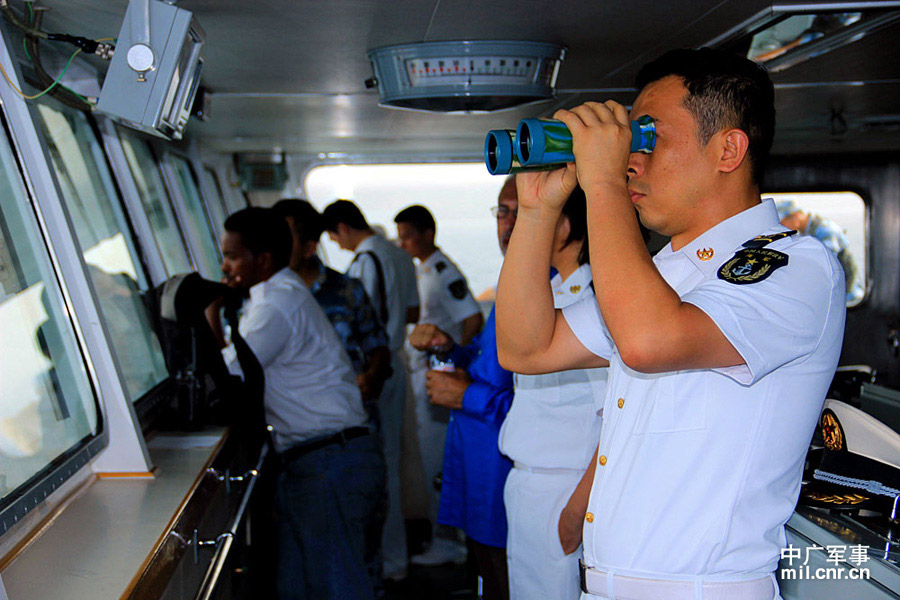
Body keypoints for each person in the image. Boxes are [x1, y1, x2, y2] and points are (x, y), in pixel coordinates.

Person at [495, 48, 845, 600]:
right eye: (630, 141)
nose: (632, 159)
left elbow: (648, 341)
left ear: (728, 149)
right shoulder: (664, 276)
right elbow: (526, 349)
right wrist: (537, 212)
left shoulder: (796, 267)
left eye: (649, 137)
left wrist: (603, 183)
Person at [207, 207, 385, 600]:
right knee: (299, 588)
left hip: (327, 462)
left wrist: (210, 320)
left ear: (263, 260)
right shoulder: (275, 296)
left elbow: (227, 381)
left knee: (337, 588)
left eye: (232, 256)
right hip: (315, 460)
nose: (224, 266)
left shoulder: (276, 306)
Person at [408, 175, 518, 600]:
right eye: (501, 212)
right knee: (487, 571)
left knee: (509, 577)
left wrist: (466, 395)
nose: (506, 225)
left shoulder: (565, 291)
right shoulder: (514, 281)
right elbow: (490, 365)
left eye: (521, 210)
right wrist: (449, 348)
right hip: (480, 457)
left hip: (509, 464)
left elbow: (557, 412)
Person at [498, 185, 606, 600]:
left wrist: (578, 511)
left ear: (562, 226)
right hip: (529, 485)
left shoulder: (595, 300)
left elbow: (617, 418)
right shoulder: (554, 297)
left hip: (566, 492)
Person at [322, 199, 420, 581]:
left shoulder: (364, 262)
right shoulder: (398, 254)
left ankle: (387, 561)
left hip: (373, 368)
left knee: (380, 465)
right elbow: (411, 312)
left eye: (334, 235)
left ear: (343, 228)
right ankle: (396, 558)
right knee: (393, 458)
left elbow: (361, 323)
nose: (336, 243)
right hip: (397, 359)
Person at [394, 204, 483, 564]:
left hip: (438, 378)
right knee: (432, 459)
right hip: (424, 376)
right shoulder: (425, 270)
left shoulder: (443, 273)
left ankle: (450, 543)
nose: (403, 245)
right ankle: (443, 537)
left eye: (407, 237)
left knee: (436, 462)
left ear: (427, 233)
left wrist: (455, 365)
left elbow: (473, 318)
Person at [272, 199, 391, 426]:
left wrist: (372, 377)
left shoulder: (348, 291)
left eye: (284, 238)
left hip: (347, 423)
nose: (274, 245)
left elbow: (378, 346)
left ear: (309, 247)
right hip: (291, 424)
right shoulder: (263, 295)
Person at [775, 198, 865, 304]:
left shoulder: (825, 232)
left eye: (783, 223)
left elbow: (828, 269)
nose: (782, 228)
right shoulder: (807, 233)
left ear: (796, 216)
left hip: (848, 298)